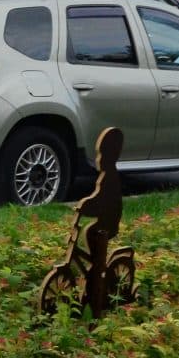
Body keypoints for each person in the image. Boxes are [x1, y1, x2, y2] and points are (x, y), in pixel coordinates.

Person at [74, 127, 124, 297]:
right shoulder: (107, 175)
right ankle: (96, 265)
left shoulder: (109, 177)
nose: (98, 160)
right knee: (89, 231)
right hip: (105, 219)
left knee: (91, 232)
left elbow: (99, 199)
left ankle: (98, 268)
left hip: (109, 222)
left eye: (101, 155)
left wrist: (85, 206)